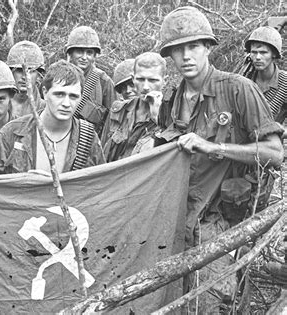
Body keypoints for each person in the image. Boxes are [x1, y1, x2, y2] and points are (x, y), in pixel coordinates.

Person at [158, 7, 284, 312]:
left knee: (212, 302)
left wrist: (214, 148)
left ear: (208, 48)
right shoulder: (172, 99)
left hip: (225, 219)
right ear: (170, 56)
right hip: (181, 216)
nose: (186, 56)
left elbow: (274, 154)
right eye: (178, 50)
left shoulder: (239, 89)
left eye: (194, 47)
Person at [0, 60, 105, 174]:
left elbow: (99, 185)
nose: (66, 103)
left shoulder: (87, 136)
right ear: (45, 93)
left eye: (73, 96)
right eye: (59, 94)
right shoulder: (13, 132)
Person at [103, 52, 167, 160]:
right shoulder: (118, 111)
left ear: (164, 81)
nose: (146, 87)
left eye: (152, 80)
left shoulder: (173, 115)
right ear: (133, 78)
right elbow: (102, 154)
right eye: (140, 79)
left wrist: (158, 118)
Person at [65, 26, 117, 135]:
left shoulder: (104, 81)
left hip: (88, 143)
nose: (84, 57)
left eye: (89, 53)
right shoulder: (58, 76)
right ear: (70, 53)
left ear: (94, 56)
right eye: (79, 51)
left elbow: (112, 121)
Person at [243, 26, 287, 123]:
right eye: (254, 52)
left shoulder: (284, 82)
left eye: (263, 52)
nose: (258, 57)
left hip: (271, 136)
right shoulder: (244, 80)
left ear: (274, 54)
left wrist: (280, 131)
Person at [6, 40, 46, 117]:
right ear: (10, 72)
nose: (24, 76)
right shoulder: (0, 106)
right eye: (19, 70)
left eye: (30, 71)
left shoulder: (46, 109)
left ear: (39, 75)